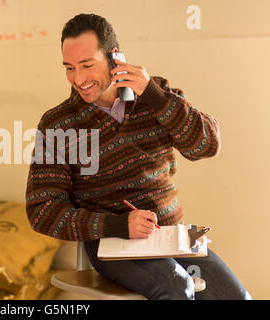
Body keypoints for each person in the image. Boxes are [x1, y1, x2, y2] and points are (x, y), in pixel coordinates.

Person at [25, 13, 251, 300]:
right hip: (113, 244)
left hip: (172, 237)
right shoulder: (58, 123)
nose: (78, 79)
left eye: (87, 65)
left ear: (115, 57)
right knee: (178, 288)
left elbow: (206, 146)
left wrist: (155, 96)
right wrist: (117, 225)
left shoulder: (156, 96)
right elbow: (43, 211)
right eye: (69, 68)